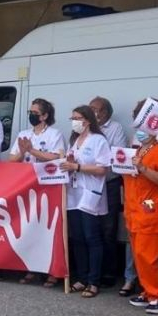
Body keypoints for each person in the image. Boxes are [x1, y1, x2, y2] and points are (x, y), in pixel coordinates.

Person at [123, 100, 158, 314]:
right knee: (139, 256)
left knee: (148, 257)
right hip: (135, 210)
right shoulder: (140, 149)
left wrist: (142, 168)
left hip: (150, 209)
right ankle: (147, 291)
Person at [9, 98, 66, 286]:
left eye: (35, 112)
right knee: (28, 228)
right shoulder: (24, 134)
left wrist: (32, 150)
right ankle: (31, 268)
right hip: (26, 187)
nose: (31, 115)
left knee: (48, 229)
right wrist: (23, 151)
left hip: (48, 188)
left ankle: (52, 271)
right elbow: (11, 161)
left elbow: (55, 157)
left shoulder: (54, 134)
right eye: (30, 112)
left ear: (44, 115)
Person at [59, 106, 111, 298]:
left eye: (77, 118)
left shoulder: (99, 140)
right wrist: (70, 165)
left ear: (87, 120)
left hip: (91, 193)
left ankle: (93, 281)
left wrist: (77, 166)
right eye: (72, 117)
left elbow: (102, 169)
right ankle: (81, 277)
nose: (74, 121)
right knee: (78, 238)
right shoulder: (75, 141)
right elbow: (71, 165)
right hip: (74, 193)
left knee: (92, 237)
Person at [90, 96, 135, 294]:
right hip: (89, 184)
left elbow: (114, 156)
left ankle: (109, 273)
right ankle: (94, 273)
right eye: (90, 108)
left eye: (96, 109)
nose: (93, 112)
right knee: (93, 230)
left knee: (109, 230)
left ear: (106, 112)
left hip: (109, 184)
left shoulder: (115, 128)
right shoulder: (86, 128)